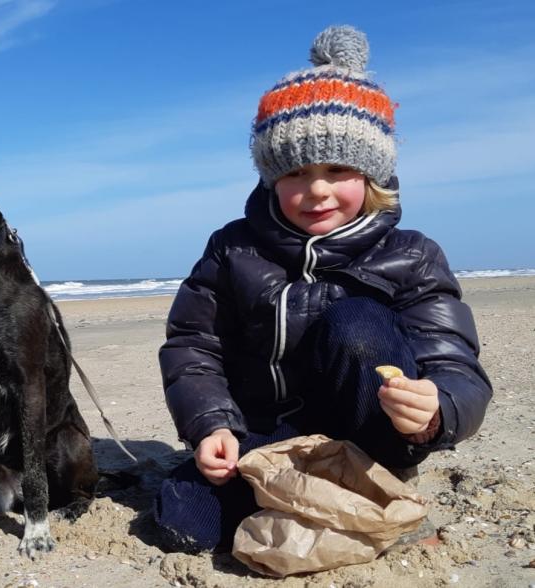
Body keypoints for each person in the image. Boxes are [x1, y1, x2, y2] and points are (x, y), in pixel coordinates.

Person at [154, 25, 492, 553]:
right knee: (183, 521)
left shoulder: (413, 254)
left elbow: (455, 362)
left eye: (338, 169)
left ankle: (372, 483)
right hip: (266, 437)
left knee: (356, 321)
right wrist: (211, 426)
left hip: (371, 441)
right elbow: (194, 345)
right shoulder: (232, 248)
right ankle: (307, 495)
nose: (316, 190)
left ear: (373, 174)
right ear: (270, 179)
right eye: (294, 173)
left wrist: (438, 410)